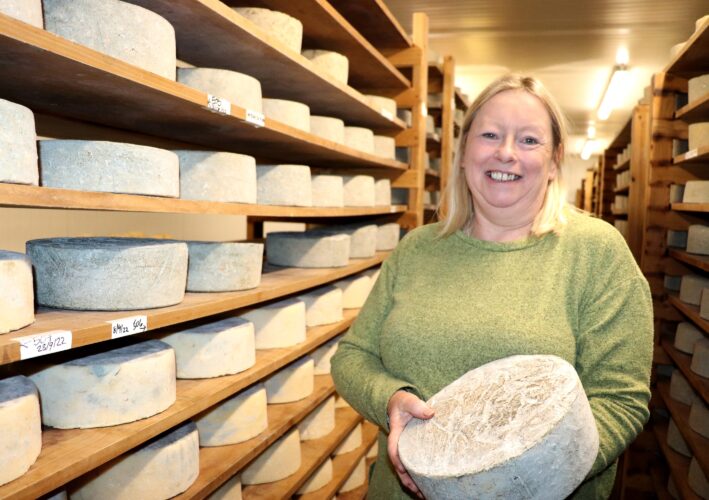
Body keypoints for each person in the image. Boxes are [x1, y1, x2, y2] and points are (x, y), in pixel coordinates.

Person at [330, 74, 653, 499]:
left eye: (528, 140)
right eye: (489, 135)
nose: (505, 153)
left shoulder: (596, 252)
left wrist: (516, 481)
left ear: (555, 160)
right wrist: (390, 398)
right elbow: (353, 357)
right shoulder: (417, 249)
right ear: (464, 154)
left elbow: (619, 399)